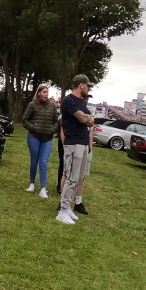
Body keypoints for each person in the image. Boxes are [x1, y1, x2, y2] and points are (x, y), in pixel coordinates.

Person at [57, 75, 95, 224]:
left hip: (83, 143)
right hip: (73, 144)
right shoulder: (69, 100)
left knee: (78, 178)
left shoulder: (80, 101)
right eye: (88, 86)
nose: (89, 88)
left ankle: (68, 208)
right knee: (71, 177)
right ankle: (63, 210)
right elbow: (84, 119)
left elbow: (90, 120)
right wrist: (88, 118)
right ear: (81, 85)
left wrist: (88, 118)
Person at [21, 84, 59, 198]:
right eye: (44, 92)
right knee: (34, 161)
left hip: (47, 138)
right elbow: (24, 119)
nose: (46, 94)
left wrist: (53, 129)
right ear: (38, 93)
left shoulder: (52, 106)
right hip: (34, 137)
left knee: (43, 163)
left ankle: (43, 188)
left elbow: (56, 121)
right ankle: (32, 184)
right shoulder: (32, 105)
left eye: (47, 92)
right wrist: (33, 128)